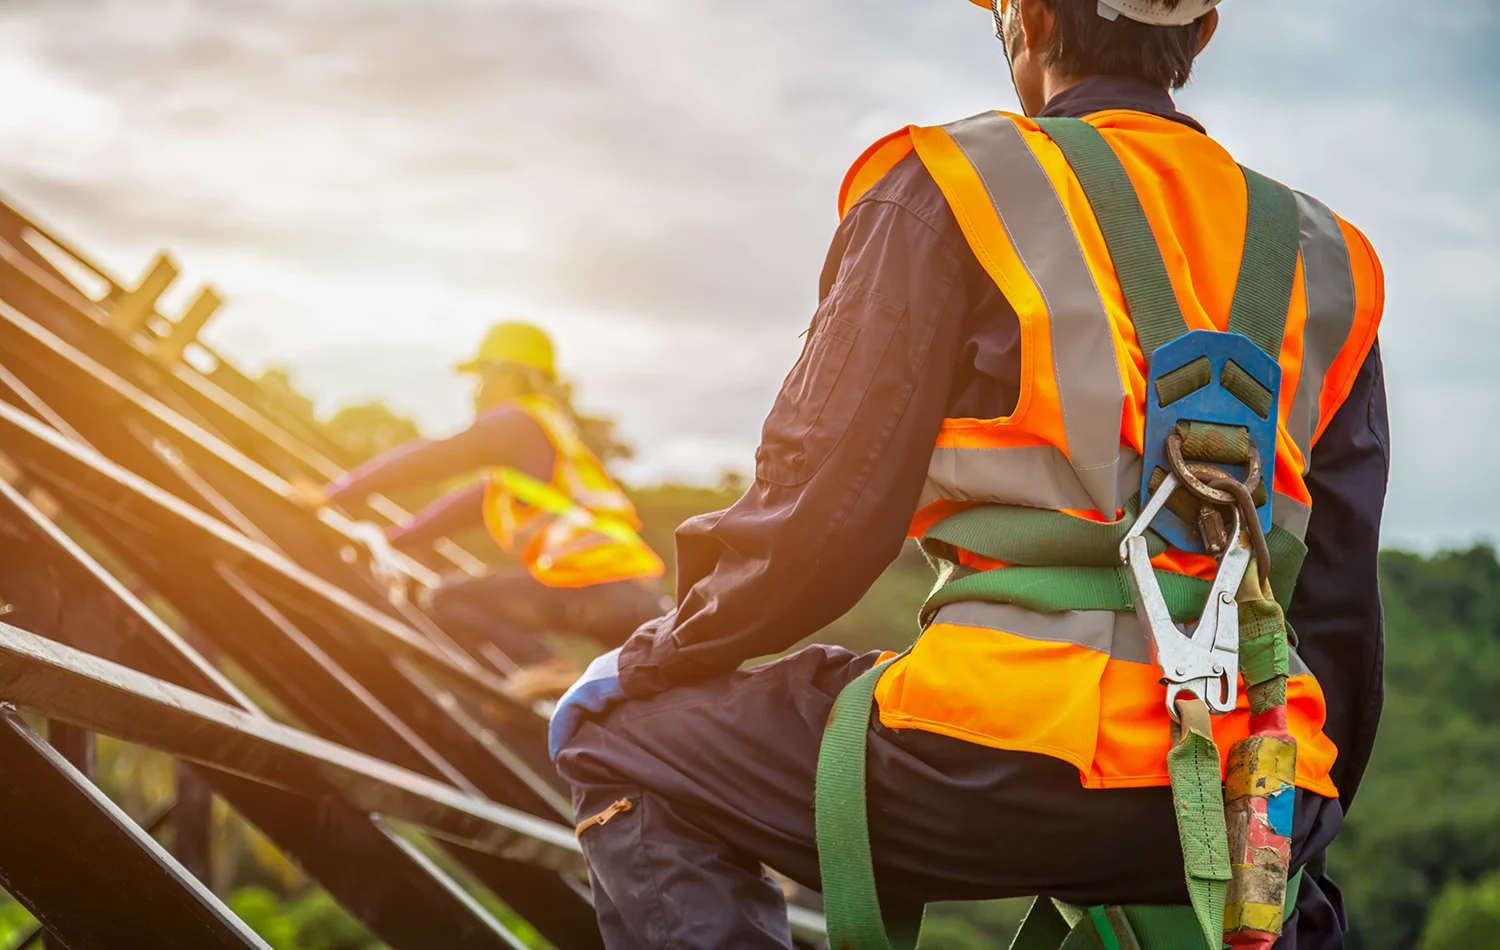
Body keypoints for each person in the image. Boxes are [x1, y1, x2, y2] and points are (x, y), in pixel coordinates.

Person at [548, 0, 1389, 948]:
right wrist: (1298, 811)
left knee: (617, 746)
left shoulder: (952, 187)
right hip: (1257, 788)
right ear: (1201, 31)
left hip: (999, 756)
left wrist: (659, 655)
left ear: (1027, 18)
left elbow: (819, 519)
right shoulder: (1333, 259)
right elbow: (1340, 609)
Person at [323, 322, 666, 682]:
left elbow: (432, 457)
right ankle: (535, 684)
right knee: (638, 695)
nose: (475, 392)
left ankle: (547, 666)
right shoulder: (535, 453)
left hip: (594, 587)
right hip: (634, 595)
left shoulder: (517, 421)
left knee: (449, 599)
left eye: (481, 376)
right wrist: (390, 542)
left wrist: (333, 493)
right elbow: (452, 513)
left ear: (508, 376)